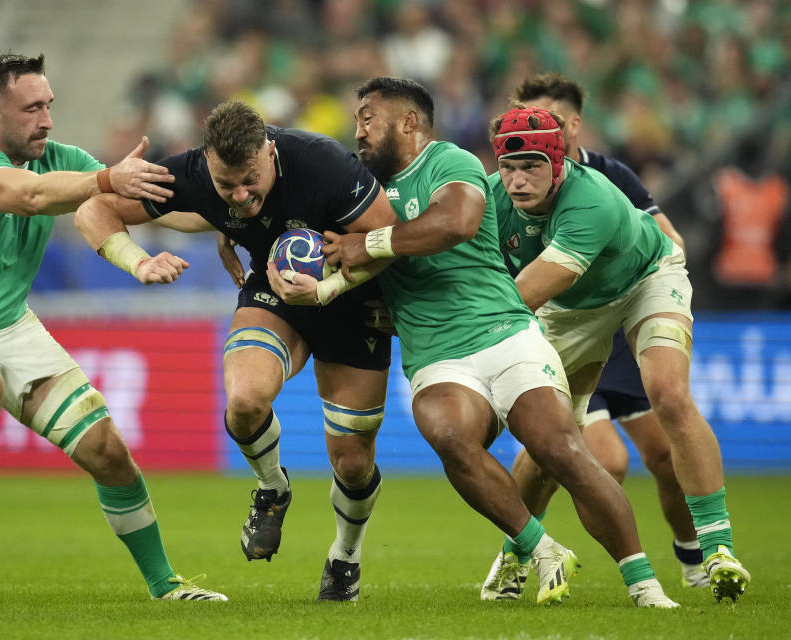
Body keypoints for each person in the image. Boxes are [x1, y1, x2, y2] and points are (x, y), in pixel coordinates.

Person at [272, 76, 678, 608]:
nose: (359, 131)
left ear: (409, 121)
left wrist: (366, 242)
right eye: (356, 122)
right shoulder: (359, 195)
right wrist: (316, 288)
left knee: (559, 449)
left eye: (368, 118)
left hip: (504, 331)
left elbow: (456, 222)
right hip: (435, 354)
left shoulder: (451, 163)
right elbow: (351, 261)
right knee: (450, 439)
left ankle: (645, 584)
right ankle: (543, 549)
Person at [0, 53, 226, 604]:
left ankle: (166, 586)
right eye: (32, 109)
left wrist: (235, 211)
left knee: (108, 451)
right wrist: (106, 176)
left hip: (11, 328)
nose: (46, 120)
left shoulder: (58, 158)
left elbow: (138, 205)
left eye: (49, 106)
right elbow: (32, 197)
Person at [74, 100, 392, 602]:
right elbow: (94, 207)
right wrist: (136, 261)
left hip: (351, 299)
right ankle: (272, 488)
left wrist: (327, 289)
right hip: (272, 292)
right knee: (244, 402)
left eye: (250, 181)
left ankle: (345, 557)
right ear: (207, 164)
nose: (241, 197)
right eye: (227, 188)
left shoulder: (322, 163)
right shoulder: (194, 173)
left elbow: (386, 239)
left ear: (269, 149)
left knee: (352, 462)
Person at [487, 103, 750, 603]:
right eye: (508, 168)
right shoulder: (490, 199)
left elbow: (524, 295)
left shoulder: (592, 200)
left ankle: (718, 549)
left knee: (669, 395)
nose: (518, 182)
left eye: (532, 168)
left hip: (647, 280)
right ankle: (517, 554)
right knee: (547, 437)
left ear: (558, 163)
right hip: (570, 311)